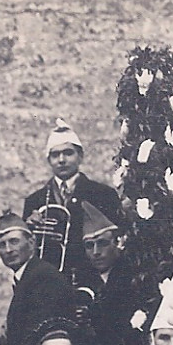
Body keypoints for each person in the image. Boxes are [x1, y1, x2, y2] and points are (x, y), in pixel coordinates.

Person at [23, 117, 125, 283]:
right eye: (55, 155)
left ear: (80, 156)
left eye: (68, 153)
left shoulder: (103, 194)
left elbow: (118, 243)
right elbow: (26, 254)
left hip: (91, 282)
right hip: (48, 284)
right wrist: (29, 230)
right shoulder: (35, 201)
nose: (61, 160)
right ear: (49, 160)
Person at [78, 202, 154, 345]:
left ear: (117, 242)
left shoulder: (135, 279)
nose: (96, 252)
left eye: (102, 243)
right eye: (89, 246)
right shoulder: (81, 283)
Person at [0, 210, 84, 345]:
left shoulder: (44, 278)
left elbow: (38, 336)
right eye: (2, 245)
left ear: (31, 242)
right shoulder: (30, 276)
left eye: (14, 241)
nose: (8, 250)